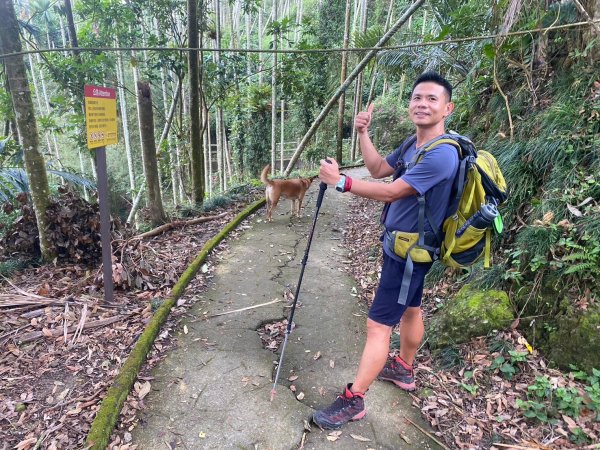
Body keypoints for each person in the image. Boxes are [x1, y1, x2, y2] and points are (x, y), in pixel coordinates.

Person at [313, 71, 458, 430]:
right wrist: (363, 133)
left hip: (410, 254)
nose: (422, 104)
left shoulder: (442, 156)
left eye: (431, 99)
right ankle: (404, 369)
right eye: (417, 98)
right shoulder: (415, 143)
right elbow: (379, 170)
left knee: (378, 326)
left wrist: (343, 182)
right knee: (411, 308)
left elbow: (394, 192)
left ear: (447, 108)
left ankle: (354, 400)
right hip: (408, 249)